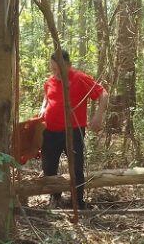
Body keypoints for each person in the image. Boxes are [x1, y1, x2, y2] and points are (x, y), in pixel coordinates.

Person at [38, 49, 108, 209]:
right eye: (52, 68)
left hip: (74, 131)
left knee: (76, 167)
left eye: (58, 69)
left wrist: (98, 116)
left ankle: (77, 201)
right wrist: (43, 107)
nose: (55, 72)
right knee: (48, 167)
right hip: (50, 132)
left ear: (68, 65)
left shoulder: (80, 78)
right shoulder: (49, 81)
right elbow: (46, 95)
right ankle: (55, 197)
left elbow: (103, 93)